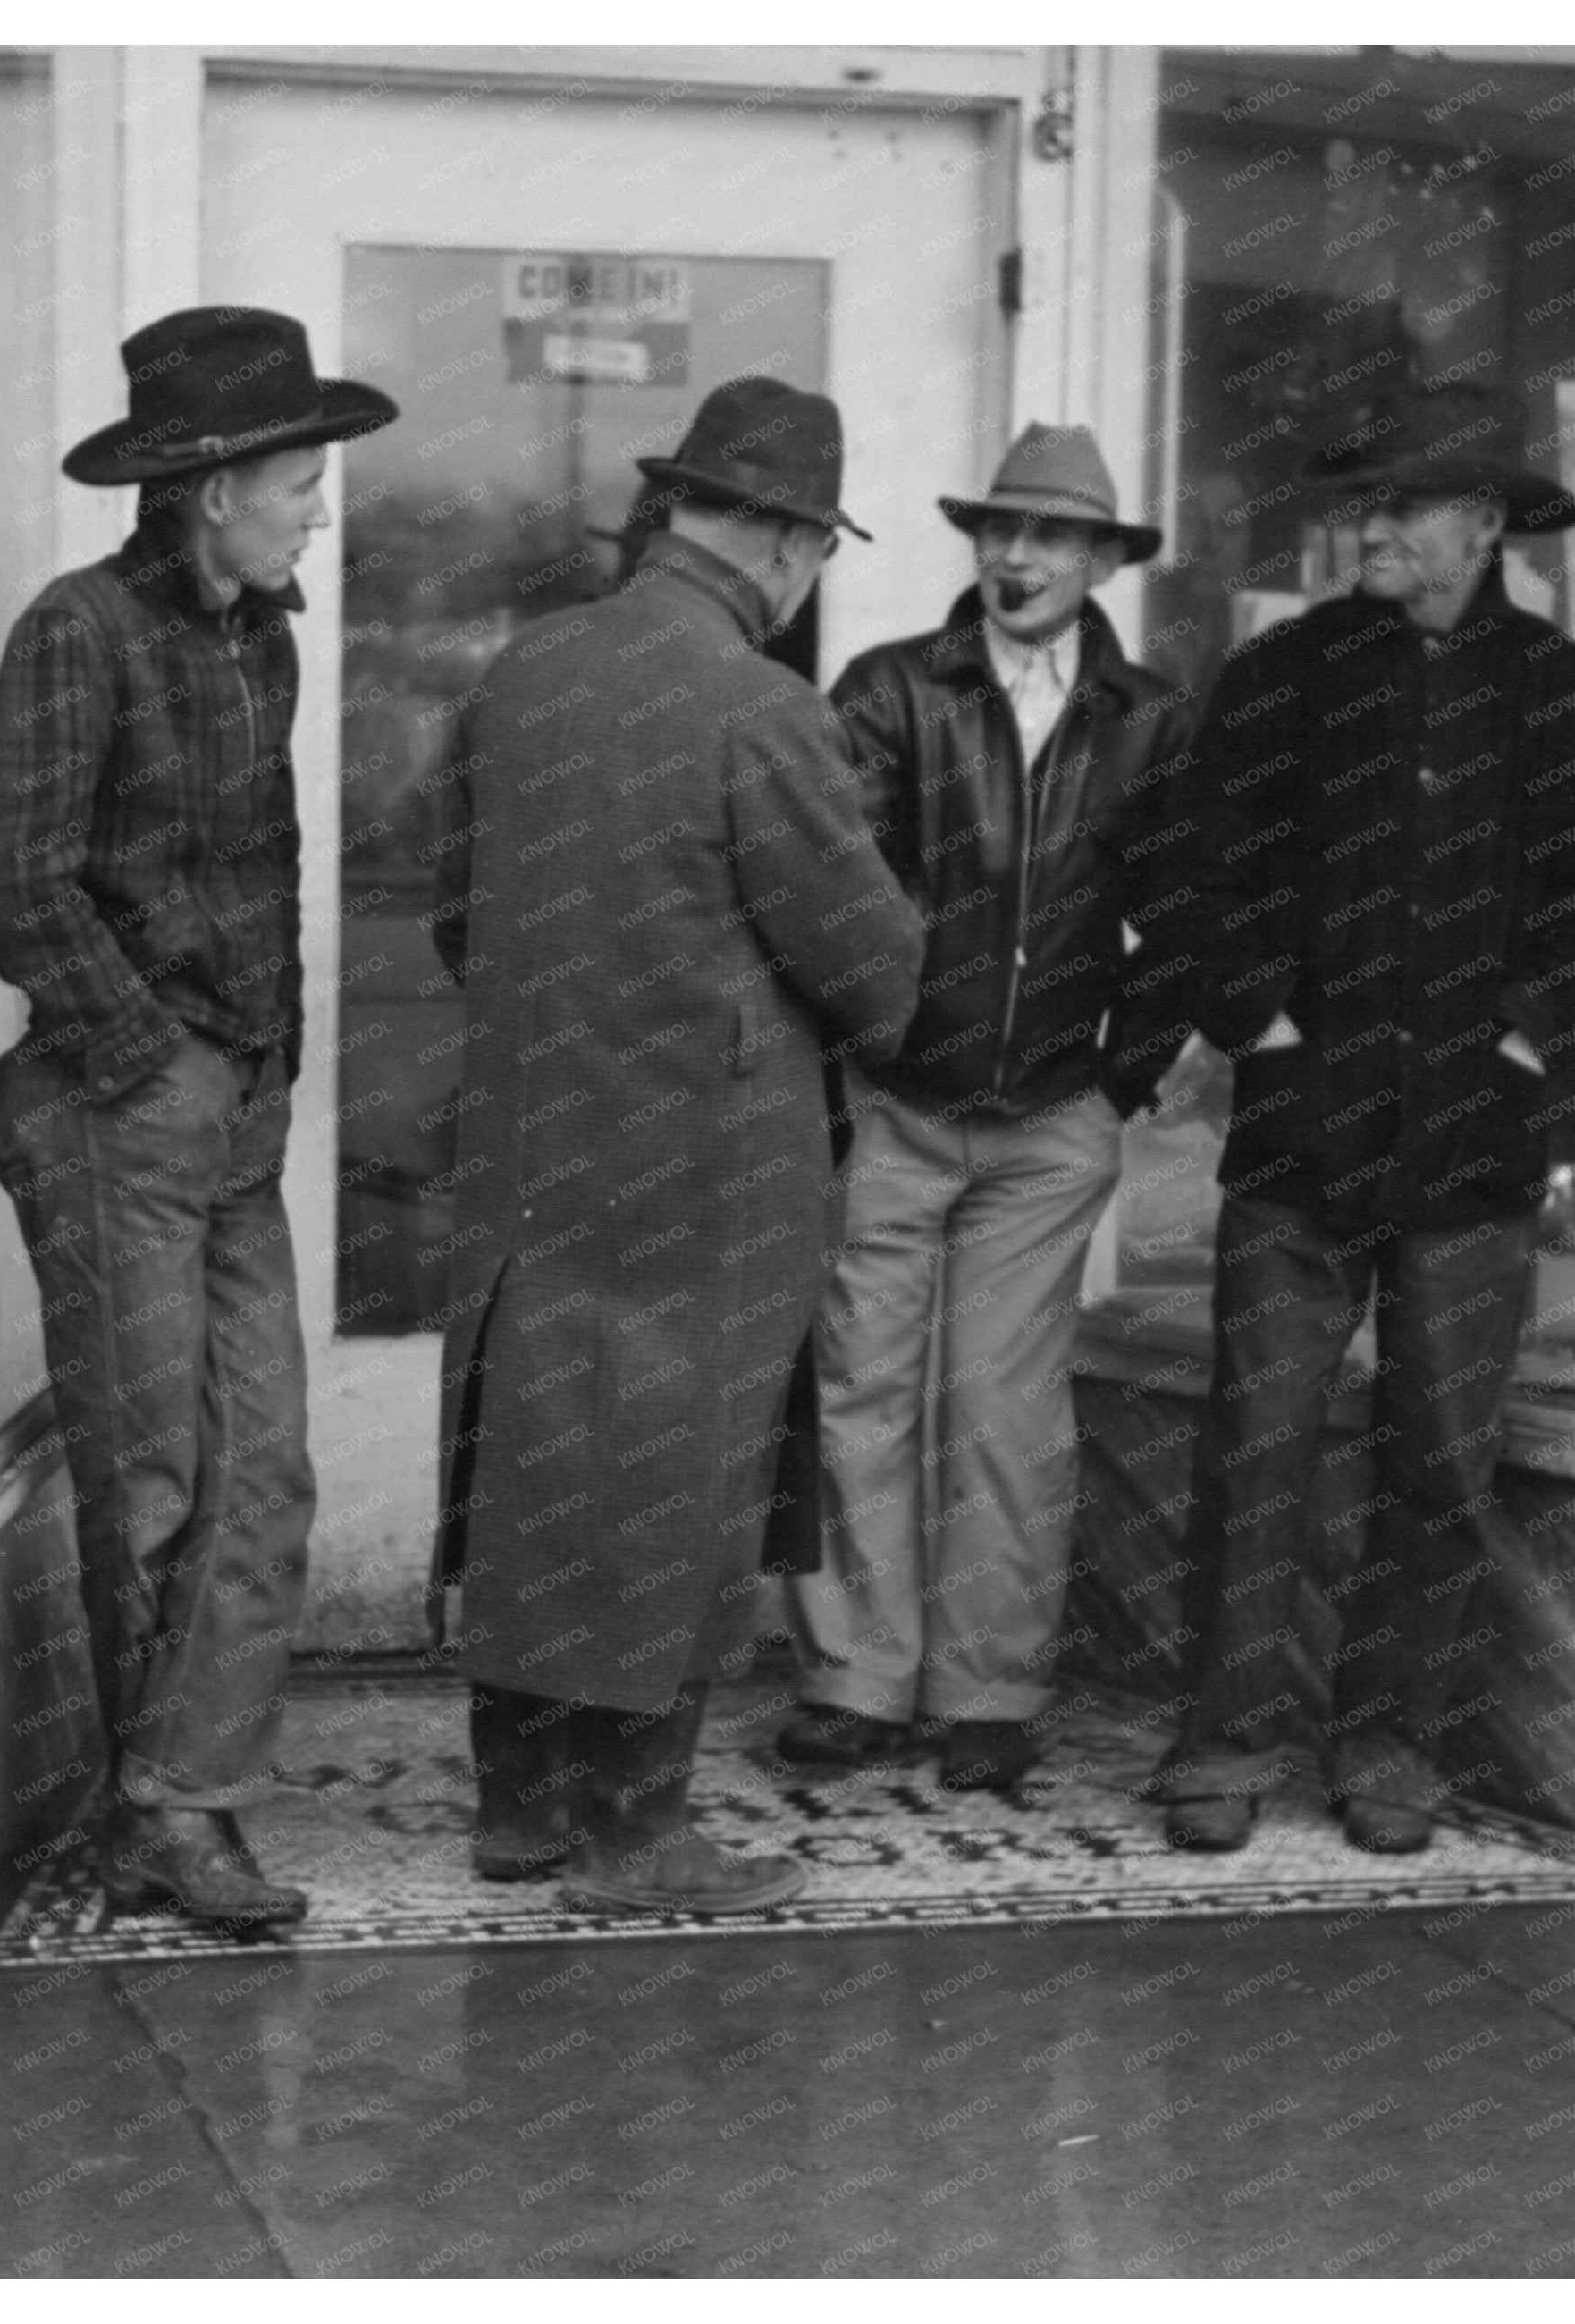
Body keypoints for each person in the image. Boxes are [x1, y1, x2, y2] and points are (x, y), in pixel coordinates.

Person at [1129, 379, 1575, 1854]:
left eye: (1402, 505)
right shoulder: (1283, 676)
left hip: (1470, 1155)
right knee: (1259, 1447)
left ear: (1483, 526)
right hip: (1301, 1142)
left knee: (1440, 1463)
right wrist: (1257, 1022)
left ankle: (1391, 1745)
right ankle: (1223, 1742)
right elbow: (1191, 872)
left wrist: (1524, 1047)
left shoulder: (1565, 693)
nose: (1371, 528)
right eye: (1362, 504)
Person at [431, 378, 925, 1916]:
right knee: (677, 1480)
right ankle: (640, 1837)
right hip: (708, 1172)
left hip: (532, 1145)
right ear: (784, 542)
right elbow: (877, 979)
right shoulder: (760, 708)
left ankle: (519, 1808)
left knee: (532, 1455)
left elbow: (456, 917)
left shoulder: (525, 674)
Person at [0, 307, 396, 1929]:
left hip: (230, 1113)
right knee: (150, 1476)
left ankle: (174, 1795)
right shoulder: (80, 631)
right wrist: (144, 1056)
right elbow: (21, 876)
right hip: (112, 1109)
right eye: (298, 477)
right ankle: (148, 1815)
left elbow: (259, 877)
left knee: (266, 1468)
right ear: (210, 487)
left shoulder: (258, 635)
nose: (318, 507)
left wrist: (262, 1069)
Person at [779, 425, 1192, 1794]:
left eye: (1052, 537)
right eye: (1000, 532)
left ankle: (990, 1691)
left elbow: (1188, 913)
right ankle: (854, 1679)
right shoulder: (893, 692)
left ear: (1099, 560)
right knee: (865, 1390)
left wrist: (1120, 1073)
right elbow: (837, 890)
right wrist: (877, 1046)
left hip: (1052, 1119)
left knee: (1006, 1408)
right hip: (898, 1105)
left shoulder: (1148, 717)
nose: (1018, 558)